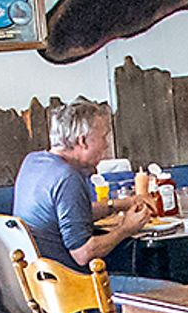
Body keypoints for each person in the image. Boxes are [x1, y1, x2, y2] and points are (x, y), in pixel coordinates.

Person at [13, 98, 155, 272]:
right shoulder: (67, 177)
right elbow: (83, 253)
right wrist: (126, 229)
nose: (106, 144)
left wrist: (121, 204)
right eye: (103, 137)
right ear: (82, 141)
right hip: (71, 287)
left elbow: (72, 215)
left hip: (42, 285)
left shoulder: (33, 162)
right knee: (169, 291)